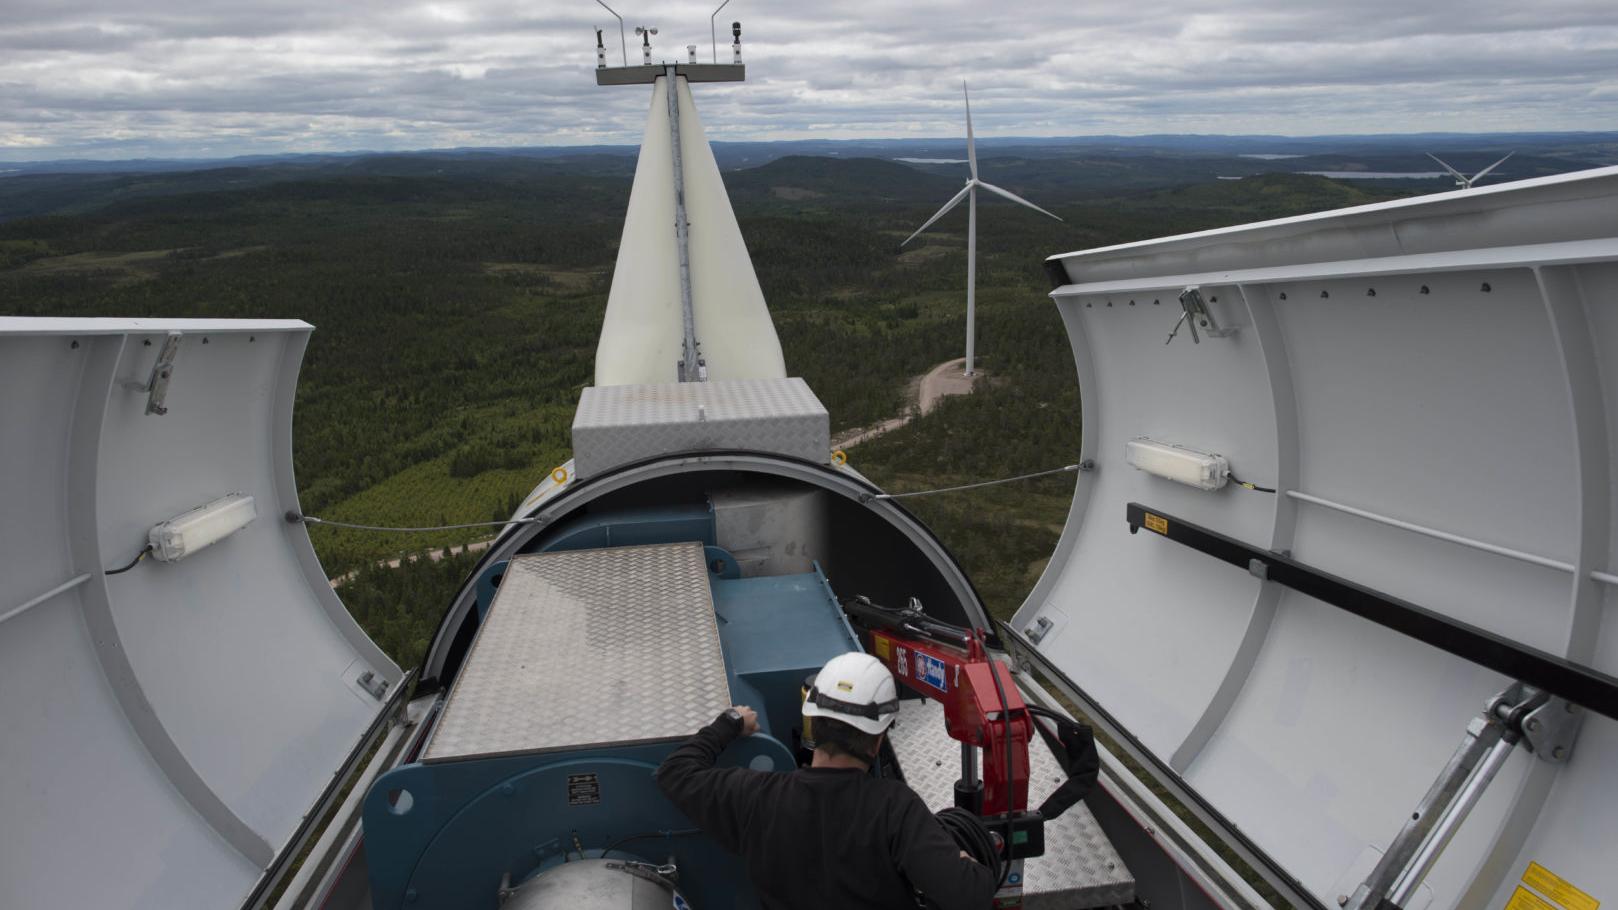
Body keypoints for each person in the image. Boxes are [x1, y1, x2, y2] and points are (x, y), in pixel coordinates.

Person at [655, 651, 997, 910]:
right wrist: (964, 862)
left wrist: (729, 723)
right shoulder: (895, 806)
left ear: (811, 725)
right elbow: (970, 896)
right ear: (878, 739)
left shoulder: (757, 797)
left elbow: (675, 772)